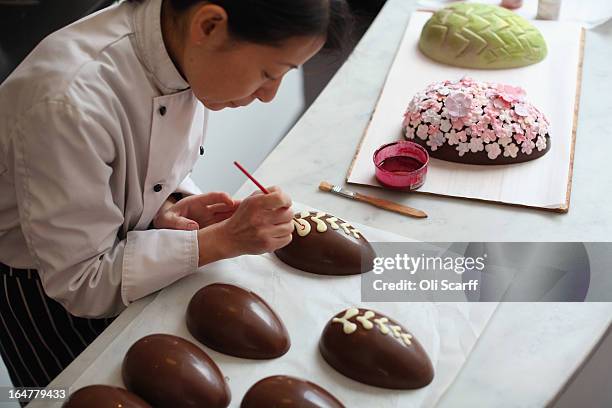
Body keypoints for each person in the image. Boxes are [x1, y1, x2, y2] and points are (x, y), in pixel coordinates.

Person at [0, 0, 351, 391]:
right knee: (72, 394)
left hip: (119, 250)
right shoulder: (67, 103)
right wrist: (221, 240)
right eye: (269, 73)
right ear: (210, 25)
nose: (269, 95)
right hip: (41, 289)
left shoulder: (176, 45)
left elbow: (145, 167)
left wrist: (169, 204)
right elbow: (83, 280)